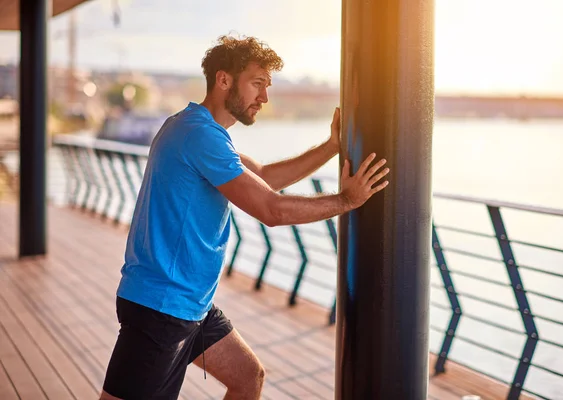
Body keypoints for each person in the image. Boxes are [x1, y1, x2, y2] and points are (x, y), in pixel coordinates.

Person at [100, 34, 389, 400]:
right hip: (160, 307)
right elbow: (271, 209)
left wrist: (331, 147)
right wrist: (348, 200)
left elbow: (264, 176)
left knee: (247, 377)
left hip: (190, 305)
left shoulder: (201, 130)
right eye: (257, 84)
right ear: (223, 80)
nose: (264, 98)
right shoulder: (198, 135)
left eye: (267, 87)